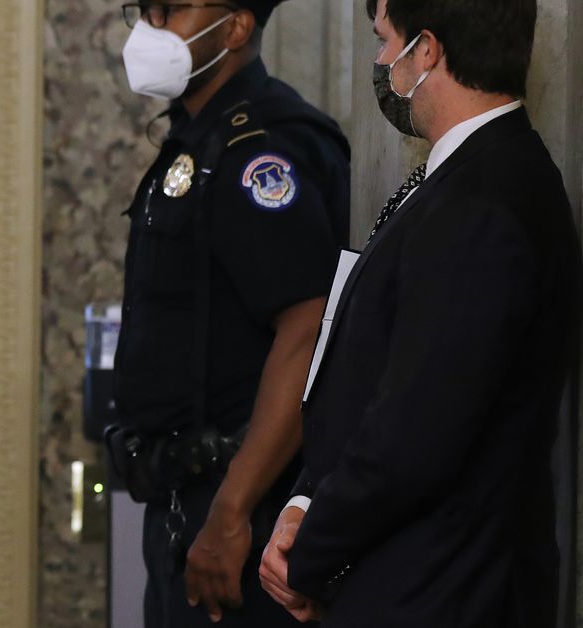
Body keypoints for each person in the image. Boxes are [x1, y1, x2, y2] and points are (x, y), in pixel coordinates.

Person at [258, 0, 582, 626]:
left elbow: (415, 435)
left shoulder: (484, 202)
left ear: (427, 49)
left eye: (386, 41)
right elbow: (366, 379)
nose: (383, 61)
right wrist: (303, 502)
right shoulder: (463, 178)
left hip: (442, 594)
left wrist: (311, 551)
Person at [108, 1, 350, 626]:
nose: (150, 30)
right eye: (144, 11)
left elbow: (308, 329)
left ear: (236, 28)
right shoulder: (199, 137)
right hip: (184, 501)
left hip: (241, 506)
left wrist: (232, 509)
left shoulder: (259, 149)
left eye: (171, 11)